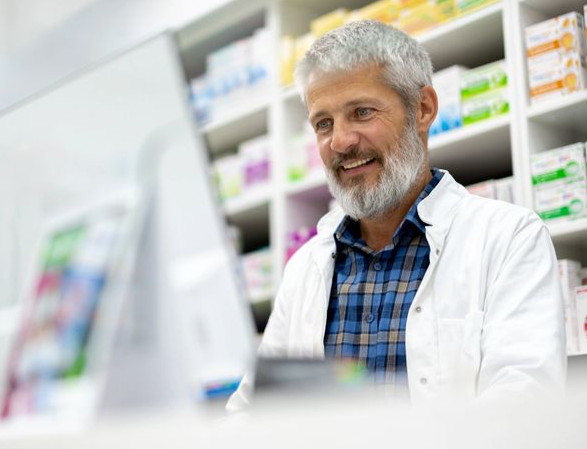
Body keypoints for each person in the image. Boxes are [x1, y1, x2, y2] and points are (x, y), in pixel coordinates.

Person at [228, 20, 565, 409]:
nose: (340, 141)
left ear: (423, 109)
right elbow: (254, 413)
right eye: (323, 123)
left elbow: (523, 405)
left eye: (362, 112)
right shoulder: (305, 268)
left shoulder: (510, 238)